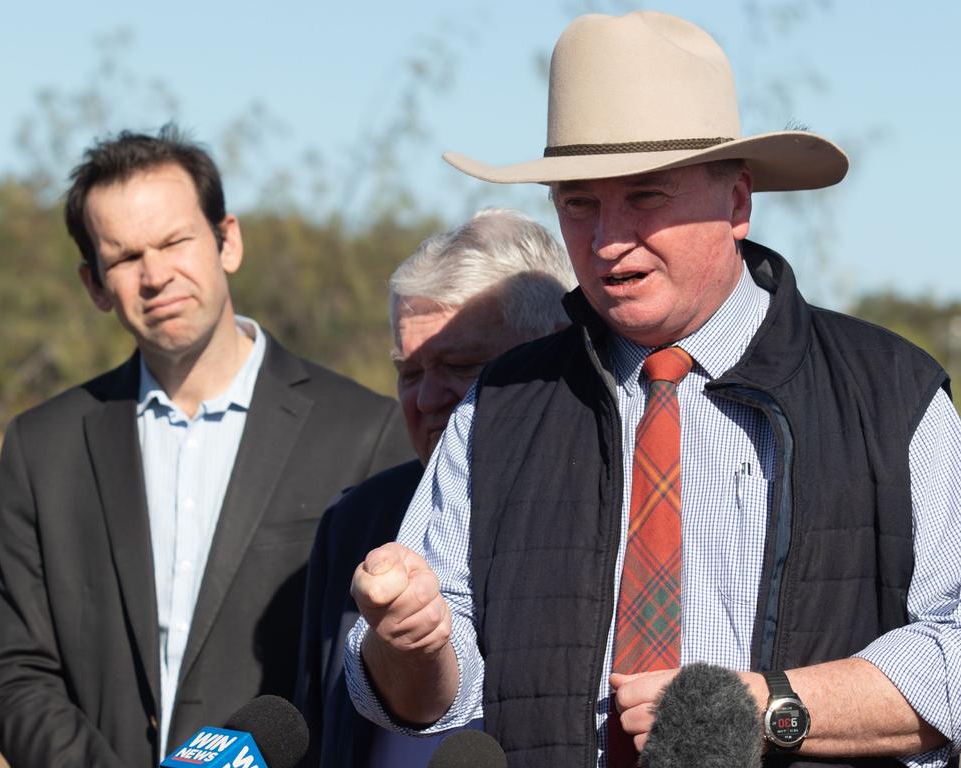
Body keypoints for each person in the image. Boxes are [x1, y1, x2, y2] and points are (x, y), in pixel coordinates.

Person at [345, 11, 961, 768]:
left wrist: (764, 710)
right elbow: (440, 694)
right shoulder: (503, 405)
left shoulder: (889, 395)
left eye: (645, 197)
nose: (607, 241)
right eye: (579, 203)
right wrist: (411, 641)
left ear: (737, 202)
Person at [0, 126, 413, 768]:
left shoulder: (365, 432)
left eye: (175, 240)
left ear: (226, 240)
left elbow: (372, 674)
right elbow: (15, 672)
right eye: (125, 257)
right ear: (95, 284)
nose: (155, 275)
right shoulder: (43, 448)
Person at [295, 208, 575, 767]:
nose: (426, 400)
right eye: (410, 372)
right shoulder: (356, 521)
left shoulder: (610, 510)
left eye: (463, 366)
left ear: (555, 349)